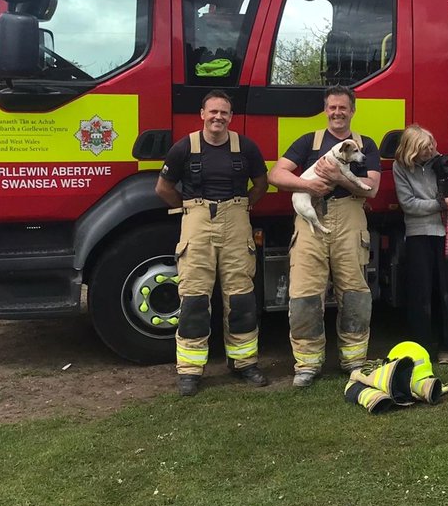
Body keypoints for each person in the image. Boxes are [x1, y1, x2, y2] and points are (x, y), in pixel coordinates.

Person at [156, 90, 269, 396]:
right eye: (213, 112)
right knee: (194, 297)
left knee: (241, 297)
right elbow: (163, 187)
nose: (218, 117)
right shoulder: (184, 147)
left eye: (224, 112)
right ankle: (190, 370)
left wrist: (242, 207)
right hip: (197, 221)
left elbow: (261, 184)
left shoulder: (246, 147)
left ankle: (244, 362)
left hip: (236, 222)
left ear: (231, 117)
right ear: (202, 114)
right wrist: (191, 209)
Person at [268, 85, 381, 387]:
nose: (337, 112)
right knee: (304, 294)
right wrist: (308, 186)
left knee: (355, 293)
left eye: (343, 107)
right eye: (332, 107)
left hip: (350, 220)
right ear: (325, 110)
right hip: (311, 219)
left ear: (352, 110)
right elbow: (276, 175)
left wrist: (338, 178)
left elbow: (372, 188)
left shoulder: (366, 145)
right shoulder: (309, 141)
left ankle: (354, 360)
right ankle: (307, 364)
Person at [392, 124, 448, 365]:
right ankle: (422, 345)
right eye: (425, 148)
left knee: (447, 291)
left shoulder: (444, 162)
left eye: (431, 145)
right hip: (419, 234)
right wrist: (440, 204)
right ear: (412, 149)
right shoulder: (400, 167)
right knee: (420, 291)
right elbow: (408, 204)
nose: (431, 150)